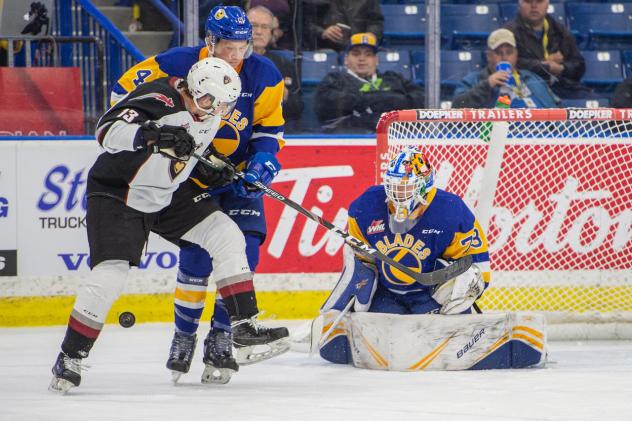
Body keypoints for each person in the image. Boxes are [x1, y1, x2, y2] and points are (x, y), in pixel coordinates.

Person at [49, 57, 254, 393]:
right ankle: (70, 356)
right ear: (195, 89)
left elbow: (187, 155)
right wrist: (152, 135)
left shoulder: (210, 117)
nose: (214, 109)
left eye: (224, 104)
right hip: (119, 191)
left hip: (168, 195)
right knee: (111, 273)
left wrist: (209, 169)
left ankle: (245, 325)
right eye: (208, 100)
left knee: (226, 233)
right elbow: (105, 131)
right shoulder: (160, 97)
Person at [111, 5, 289, 383]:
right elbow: (120, 95)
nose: (237, 55)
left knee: (247, 249)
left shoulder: (265, 75)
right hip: (191, 178)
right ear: (210, 41)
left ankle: (222, 336)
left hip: (238, 177)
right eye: (228, 46)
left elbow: (269, 131)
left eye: (243, 46)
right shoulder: (175, 63)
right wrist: (155, 136)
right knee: (196, 256)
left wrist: (262, 163)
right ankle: (184, 336)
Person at [316, 148, 545, 370]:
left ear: (424, 187)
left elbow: (478, 268)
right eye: (394, 186)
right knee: (383, 331)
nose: (397, 194)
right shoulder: (365, 208)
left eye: (406, 187)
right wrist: (359, 282)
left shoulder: (452, 212)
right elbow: (360, 258)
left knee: (449, 330)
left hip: (431, 298)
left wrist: (460, 291)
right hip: (386, 295)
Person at [314, 32, 424, 133]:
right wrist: (379, 100)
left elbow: (421, 99)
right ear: (346, 59)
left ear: (376, 60)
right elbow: (325, 105)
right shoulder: (334, 80)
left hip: (394, 139)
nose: (362, 59)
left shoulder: (394, 78)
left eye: (368, 54)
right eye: (356, 54)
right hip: (351, 140)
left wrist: (392, 101)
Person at [504, 0, 592, 99]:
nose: (534, 6)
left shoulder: (559, 30)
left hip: (561, 87)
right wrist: (545, 65)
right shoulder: (508, 32)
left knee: (596, 104)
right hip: (526, 89)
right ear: (519, 4)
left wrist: (561, 68)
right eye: (528, 1)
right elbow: (509, 64)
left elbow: (579, 66)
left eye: (539, 1)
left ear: (547, 4)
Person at [452, 28, 559, 109]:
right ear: (488, 55)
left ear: (516, 54)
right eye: (498, 52)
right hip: (495, 136)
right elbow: (456, 108)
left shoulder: (532, 78)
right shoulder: (474, 80)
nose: (504, 57)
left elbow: (556, 106)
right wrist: (487, 85)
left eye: (509, 52)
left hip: (540, 135)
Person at [247, 5, 303, 124]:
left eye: (265, 27)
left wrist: (284, 95)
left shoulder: (284, 64)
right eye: (254, 26)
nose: (258, 32)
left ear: (272, 32)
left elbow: (298, 109)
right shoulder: (231, 60)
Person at [304, 0, 384, 51]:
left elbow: (376, 21)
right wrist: (322, 32)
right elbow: (304, 23)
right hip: (325, 47)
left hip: (359, 46)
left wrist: (371, 34)